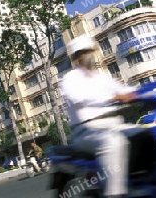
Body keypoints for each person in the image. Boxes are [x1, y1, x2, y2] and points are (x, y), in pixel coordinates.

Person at [61, 34, 138, 198]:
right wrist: (113, 98)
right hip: (85, 130)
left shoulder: (102, 77)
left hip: (114, 124)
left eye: (90, 51)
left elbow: (124, 91)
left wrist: (143, 92)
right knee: (113, 142)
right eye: (83, 52)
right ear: (77, 57)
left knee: (145, 134)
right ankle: (115, 194)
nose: (88, 54)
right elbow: (77, 98)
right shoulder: (70, 79)